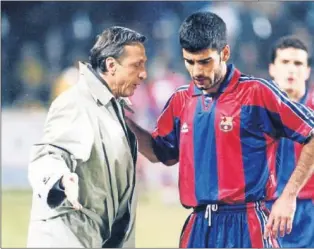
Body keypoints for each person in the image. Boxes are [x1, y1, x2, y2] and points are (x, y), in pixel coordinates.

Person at [125, 11, 314, 248]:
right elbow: (159, 152)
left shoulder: (256, 92)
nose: (196, 72)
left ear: (224, 53)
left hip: (247, 224)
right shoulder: (181, 100)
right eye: (189, 62)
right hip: (198, 226)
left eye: (205, 62)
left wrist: (288, 196)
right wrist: (125, 123)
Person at [27, 26, 147, 248]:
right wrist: (59, 180)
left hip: (92, 237)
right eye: (136, 65)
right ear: (111, 65)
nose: (143, 73)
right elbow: (47, 153)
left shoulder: (112, 107)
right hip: (66, 238)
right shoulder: (76, 102)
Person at [266, 36, 314, 247]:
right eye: (285, 62)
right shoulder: (257, 109)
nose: (291, 70)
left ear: (307, 71)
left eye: (298, 64)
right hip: (267, 207)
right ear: (272, 69)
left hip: (309, 209)